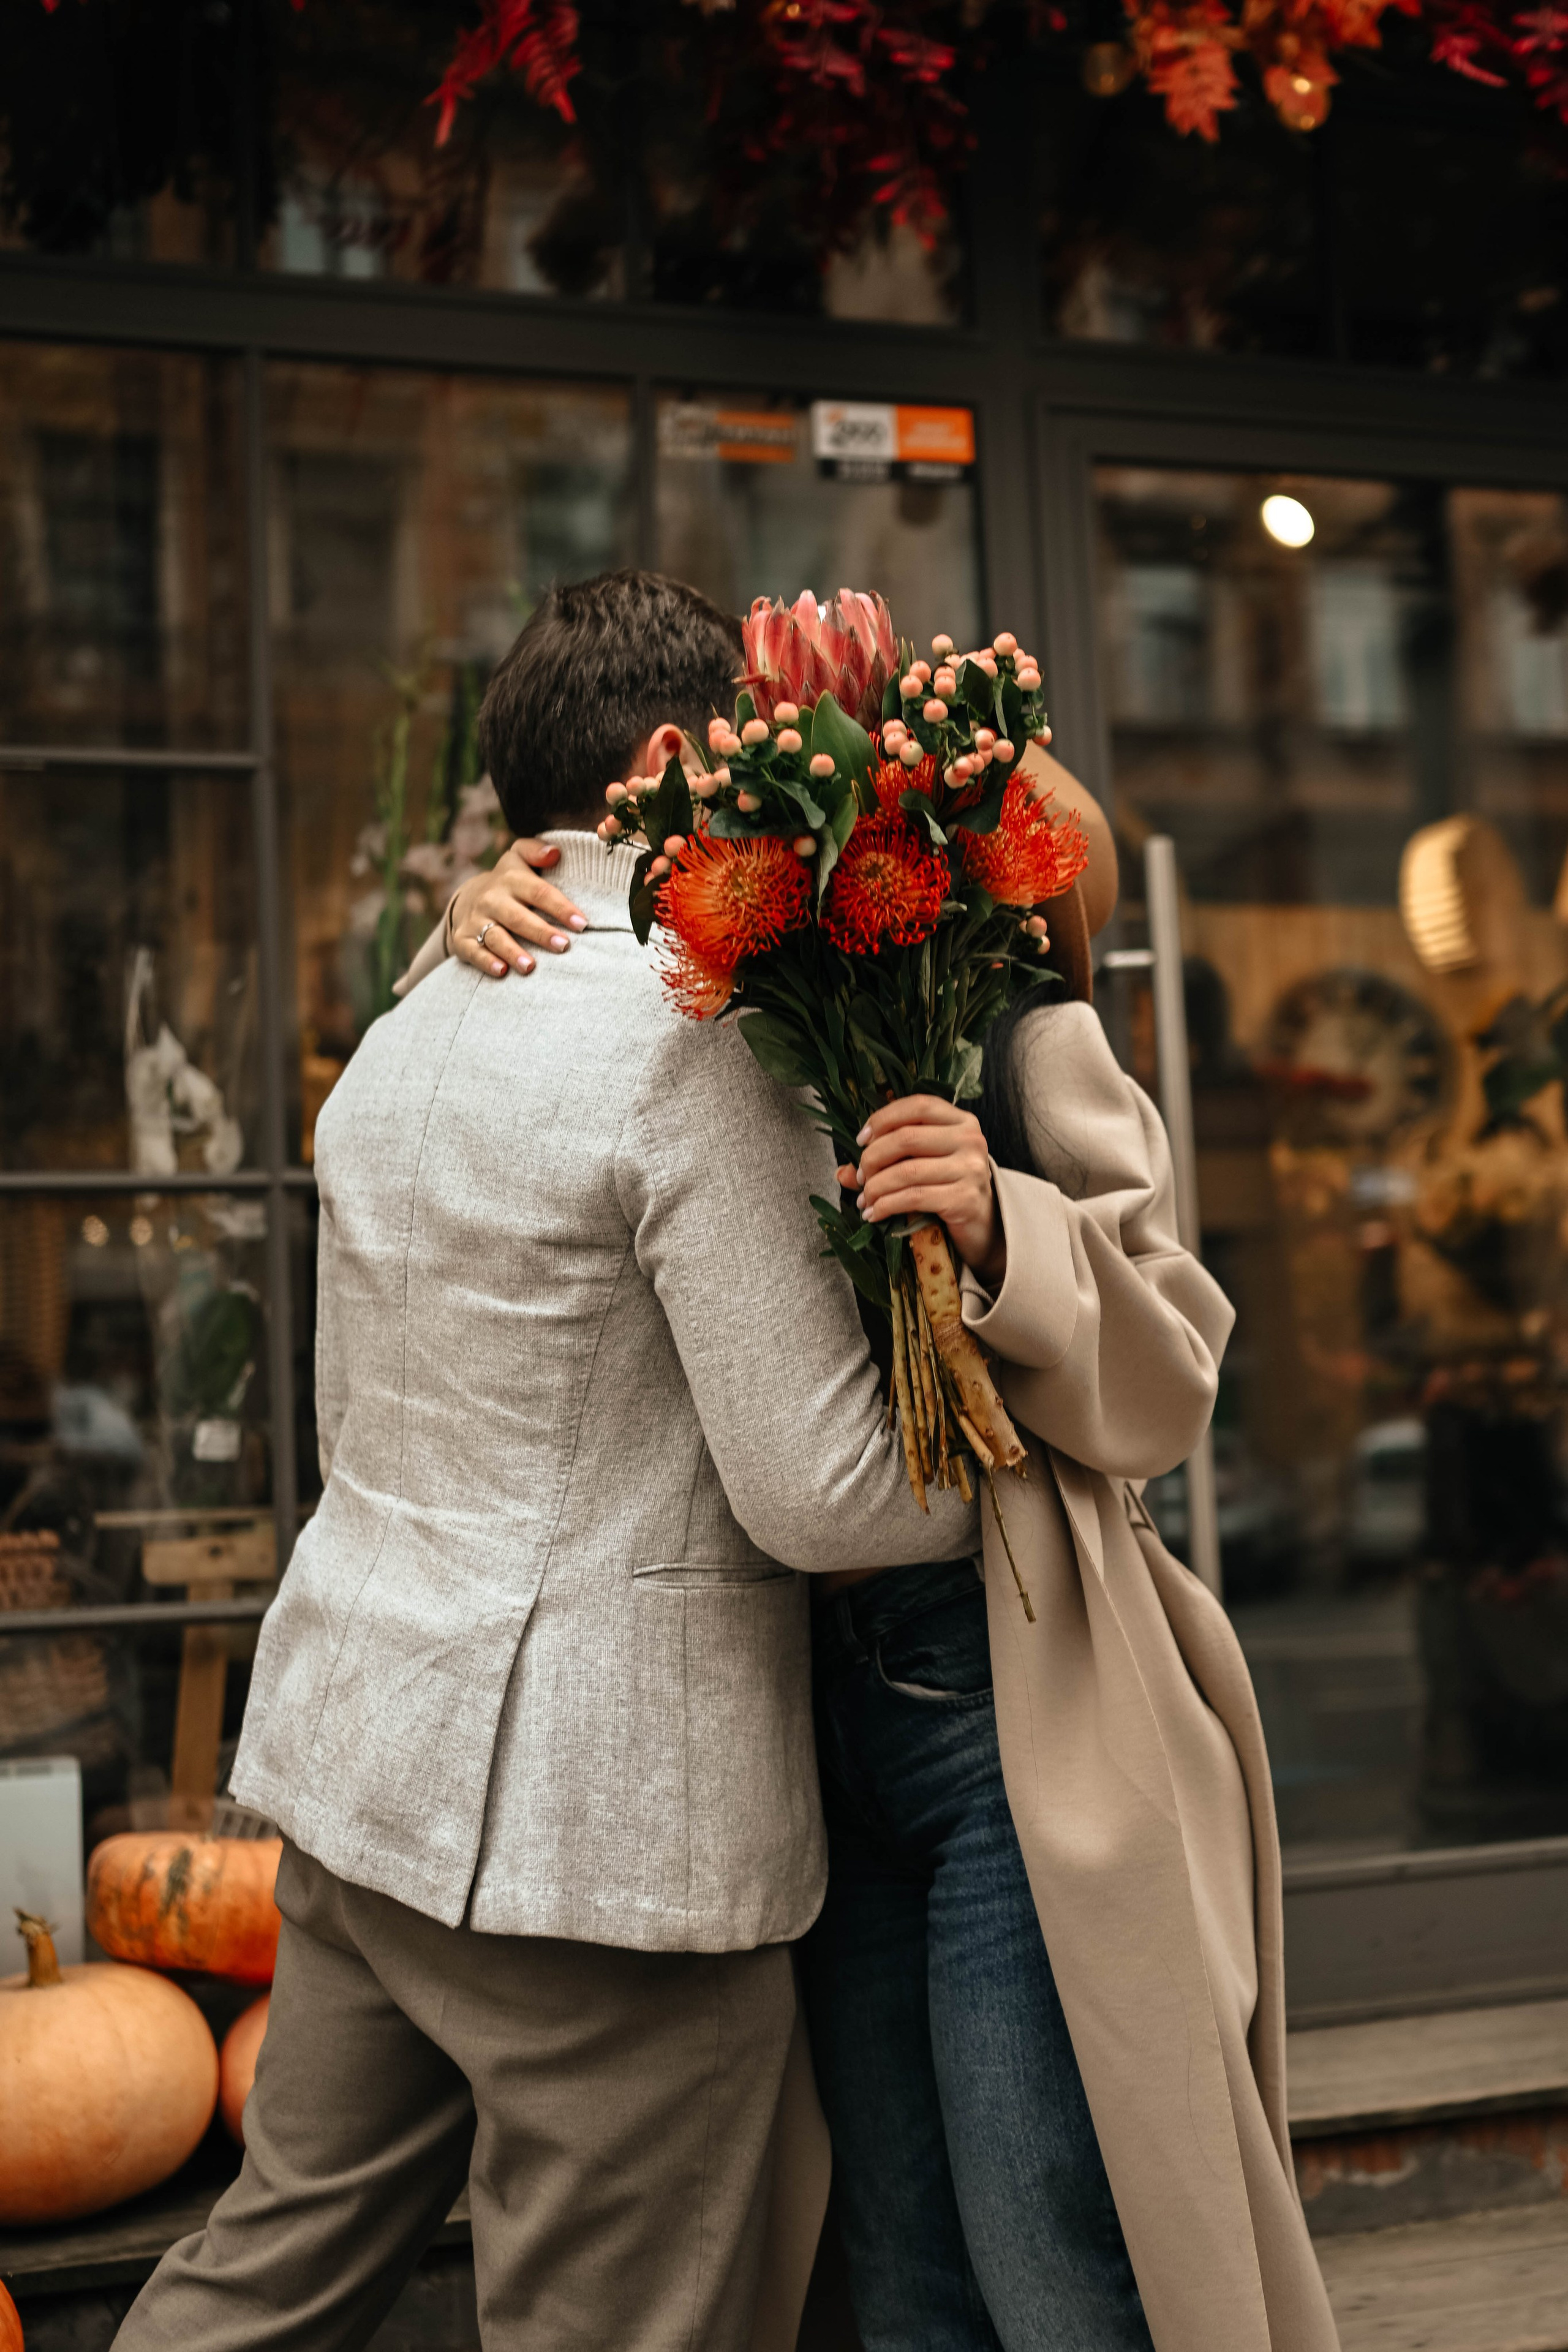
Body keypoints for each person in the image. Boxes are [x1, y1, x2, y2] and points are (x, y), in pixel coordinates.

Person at [410, 662, 1340, 2352]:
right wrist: (468, 919)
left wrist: (1002, 1224)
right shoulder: (741, 1013)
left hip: (1009, 1707)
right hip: (804, 1731)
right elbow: (550, 1063)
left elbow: (1173, 1375)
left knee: (1052, 2258)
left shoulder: (1025, 1040)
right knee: (899, 2272)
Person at [111, 570, 979, 2352]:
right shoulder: (688, 1036)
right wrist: (1032, 1454)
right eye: (747, 754)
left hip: (361, 1777)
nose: (772, 793)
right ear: (666, 762)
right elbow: (822, 1496)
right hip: (601, 1856)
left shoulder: (403, 1028)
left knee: (264, 2280)